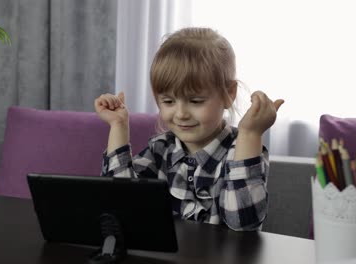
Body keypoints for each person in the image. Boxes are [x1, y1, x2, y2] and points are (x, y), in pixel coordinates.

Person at [94, 27, 284, 231]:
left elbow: (244, 224)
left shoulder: (242, 151)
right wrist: (118, 126)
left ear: (229, 94)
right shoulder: (160, 149)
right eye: (168, 101)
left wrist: (250, 134)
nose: (181, 113)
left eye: (195, 101)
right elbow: (121, 206)